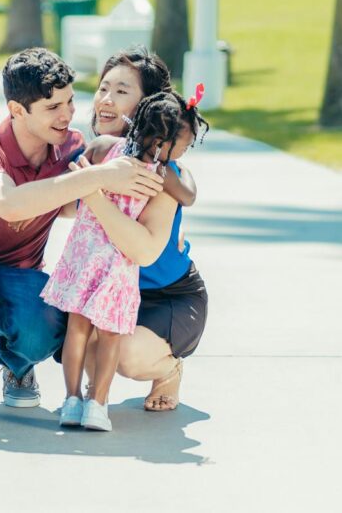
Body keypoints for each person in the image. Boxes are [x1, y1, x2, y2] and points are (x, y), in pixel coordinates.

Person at [0, 47, 166, 421]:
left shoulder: (72, 149)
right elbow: (9, 203)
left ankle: (18, 366)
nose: (67, 115)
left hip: (18, 284)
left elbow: (98, 201)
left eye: (70, 102)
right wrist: (99, 176)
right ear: (17, 110)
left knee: (59, 312)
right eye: (52, 107)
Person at [42, 90, 203, 431]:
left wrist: (91, 188)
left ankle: (79, 401)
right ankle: (90, 403)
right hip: (114, 265)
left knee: (86, 333)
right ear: (162, 140)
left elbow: (79, 178)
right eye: (185, 146)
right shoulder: (155, 171)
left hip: (146, 285)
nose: (108, 99)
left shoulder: (141, 164)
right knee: (98, 334)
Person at [85, 46, 211, 412]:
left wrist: (93, 192)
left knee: (126, 355)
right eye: (103, 87)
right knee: (67, 333)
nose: (106, 100)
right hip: (113, 288)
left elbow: (184, 191)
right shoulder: (96, 153)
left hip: (167, 294)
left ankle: (169, 369)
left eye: (122, 91)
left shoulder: (162, 171)